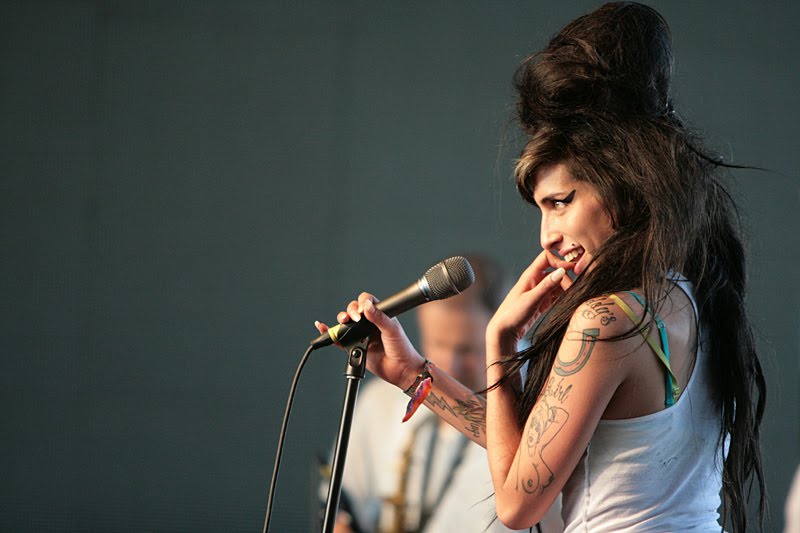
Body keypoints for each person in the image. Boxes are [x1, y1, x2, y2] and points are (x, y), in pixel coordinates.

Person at [317, 3, 766, 532]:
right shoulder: (691, 295)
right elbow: (533, 459)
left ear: (623, 188)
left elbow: (517, 504)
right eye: (542, 210)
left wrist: (500, 343)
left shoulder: (606, 322)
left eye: (561, 203)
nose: (547, 235)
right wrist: (412, 373)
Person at [322, 254, 562, 533]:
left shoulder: (552, 399)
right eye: (438, 344)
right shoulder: (379, 401)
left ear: (516, 332)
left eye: (466, 350)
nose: (449, 365)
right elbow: (341, 515)